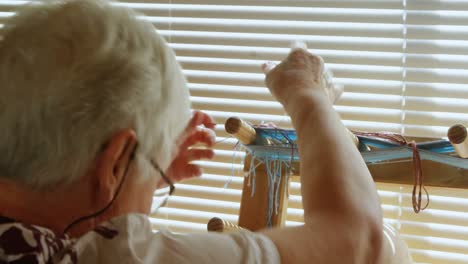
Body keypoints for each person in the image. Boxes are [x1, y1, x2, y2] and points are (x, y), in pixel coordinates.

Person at [0, 0, 411, 263]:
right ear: (114, 165)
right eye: (150, 173)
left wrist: (146, 169)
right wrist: (306, 94)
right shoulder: (112, 257)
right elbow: (359, 242)